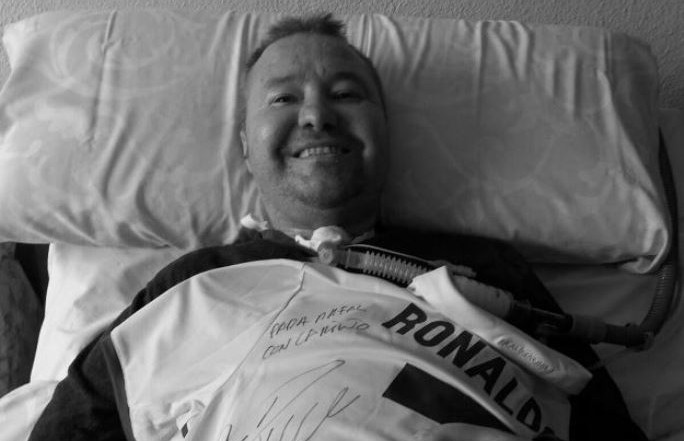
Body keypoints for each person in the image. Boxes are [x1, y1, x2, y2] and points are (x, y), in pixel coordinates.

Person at [27, 13, 646, 441]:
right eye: (283, 98)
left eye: (347, 93)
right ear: (245, 147)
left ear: (385, 130)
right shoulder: (195, 282)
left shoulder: (488, 268)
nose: (317, 116)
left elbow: (600, 422)